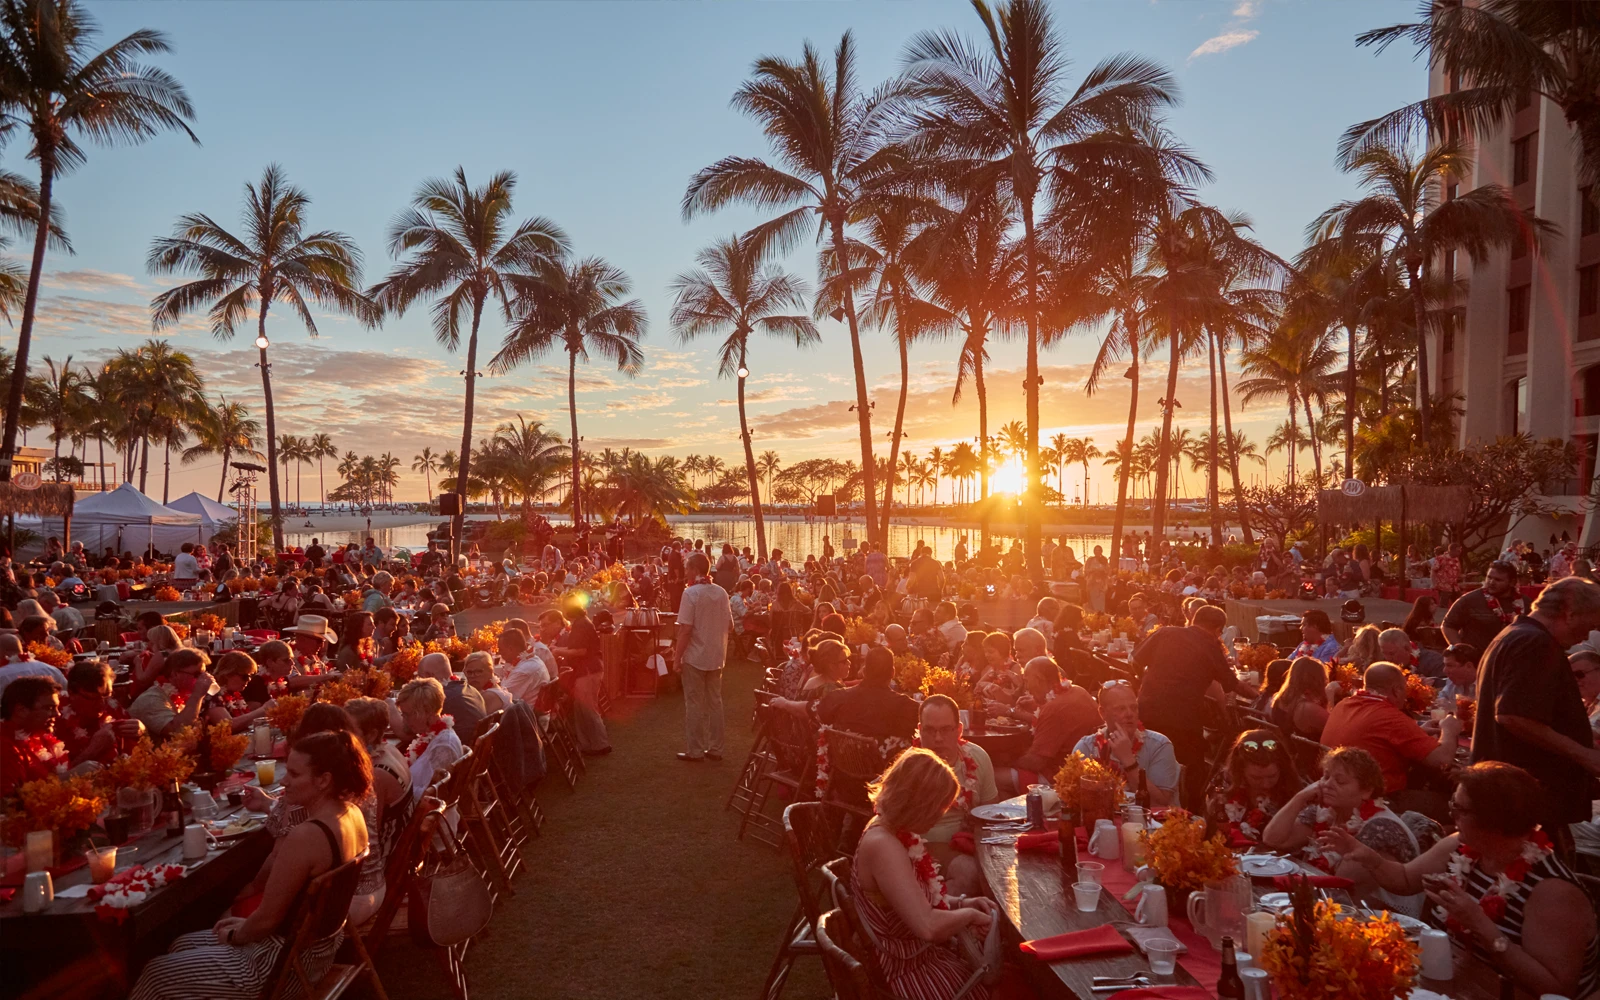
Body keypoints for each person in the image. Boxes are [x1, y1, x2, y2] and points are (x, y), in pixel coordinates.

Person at [128, 729, 371, 1000]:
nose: (285, 782)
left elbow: (266, 920)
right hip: (316, 953)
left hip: (278, 966)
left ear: (324, 780)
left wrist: (235, 935)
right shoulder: (351, 813)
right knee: (181, 944)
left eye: (294, 774)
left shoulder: (306, 836)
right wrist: (243, 926)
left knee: (155, 974)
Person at [1325, 762, 1600, 999]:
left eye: (1459, 809)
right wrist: (1368, 857)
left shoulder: (1554, 892)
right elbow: (1406, 879)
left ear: (1494, 821)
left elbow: (1554, 989)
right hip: (1453, 982)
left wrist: (1478, 922)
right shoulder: (1461, 846)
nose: (1450, 815)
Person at [851, 748, 999, 1000]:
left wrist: (962, 902)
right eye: (938, 807)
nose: (940, 815)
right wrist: (969, 915)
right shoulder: (883, 845)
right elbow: (927, 927)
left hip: (916, 956)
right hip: (903, 970)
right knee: (996, 990)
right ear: (918, 803)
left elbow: (916, 900)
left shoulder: (892, 830)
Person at [1472, 577, 1600, 849]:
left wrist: (1582, 735)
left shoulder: (1514, 635)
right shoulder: (1535, 643)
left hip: (1509, 793)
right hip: (1524, 799)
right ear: (1570, 612)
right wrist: (1583, 754)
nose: (1587, 636)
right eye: (1589, 624)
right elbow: (1513, 715)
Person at [1260, 746, 1423, 914]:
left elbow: (1339, 883)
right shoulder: (1325, 811)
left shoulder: (1381, 829)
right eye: (1326, 776)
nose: (1328, 785)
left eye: (1340, 781)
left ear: (1366, 791)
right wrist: (1300, 796)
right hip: (1335, 908)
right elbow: (1272, 839)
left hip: (1384, 924)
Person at [1133, 605, 1257, 806]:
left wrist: (1144, 681)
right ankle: (1189, 808)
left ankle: (1148, 798)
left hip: (1147, 710)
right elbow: (1232, 684)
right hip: (1183, 720)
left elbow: (1135, 659)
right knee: (1192, 767)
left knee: (1146, 757)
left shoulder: (1165, 632)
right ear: (1218, 630)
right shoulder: (1211, 646)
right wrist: (1258, 695)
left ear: (1193, 620)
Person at [1321, 662, 1461, 808]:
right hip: (1378, 801)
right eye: (1404, 690)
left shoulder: (1343, 705)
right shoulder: (1389, 717)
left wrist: (1417, 732)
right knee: (1455, 804)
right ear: (1396, 690)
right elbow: (1442, 759)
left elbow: (1377, 736)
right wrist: (1449, 729)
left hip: (1338, 794)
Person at [916, 695, 997, 895]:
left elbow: (991, 812)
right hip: (925, 845)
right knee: (968, 872)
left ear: (959, 730)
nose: (937, 738)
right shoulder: (910, 768)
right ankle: (933, 918)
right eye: (929, 730)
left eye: (945, 729)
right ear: (919, 730)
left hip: (972, 840)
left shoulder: (978, 757)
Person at [999, 657, 1100, 794]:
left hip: (1059, 779)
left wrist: (1005, 761)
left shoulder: (1053, 708)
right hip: (1090, 771)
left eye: (1027, 681)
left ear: (1039, 679)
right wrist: (1039, 705)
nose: (1027, 687)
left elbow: (1035, 762)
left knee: (992, 776)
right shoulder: (1077, 690)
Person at [1073, 682, 1180, 805]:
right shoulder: (1086, 747)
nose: (1129, 714)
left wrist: (1128, 761)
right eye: (1121, 709)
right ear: (1102, 713)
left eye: (1133, 707)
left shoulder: (1160, 745)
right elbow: (1075, 799)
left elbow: (1159, 804)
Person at [675, 552, 731, 763]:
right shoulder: (722, 593)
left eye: (687, 568)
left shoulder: (691, 594)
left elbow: (685, 630)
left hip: (696, 655)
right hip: (717, 654)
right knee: (715, 702)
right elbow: (730, 625)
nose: (685, 572)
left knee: (694, 703)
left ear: (695, 570)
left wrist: (676, 657)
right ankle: (716, 748)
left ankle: (696, 750)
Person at [1206, 729, 1303, 848]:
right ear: (1240, 771)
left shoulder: (1293, 789)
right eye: (1256, 778)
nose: (1266, 784)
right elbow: (1210, 823)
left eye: (1272, 776)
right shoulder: (1224, 782)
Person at [547, 599, 612, 756]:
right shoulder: (582, 622)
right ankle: (587, 743)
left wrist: (558, 651)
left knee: (588, 709)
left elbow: (580, 650)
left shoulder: (581, 624)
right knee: (580, 708)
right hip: (587, 670)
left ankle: (600, 744)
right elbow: (574, 648)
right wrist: (558, 649)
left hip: (588, 670)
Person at [818, 646, 918, 743]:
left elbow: (819, 719)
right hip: (888, 760)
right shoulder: (908, 707)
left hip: (845, 759)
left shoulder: (836, 698)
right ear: (893, 673)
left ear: (864, 672)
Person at [395, 677, 463, 797]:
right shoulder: (433, 736)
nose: (404, 720)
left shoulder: (444, 746)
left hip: (425, 813)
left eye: (407, 715)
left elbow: (429, 796)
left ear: (427, 712)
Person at [128, 648, 214, 741]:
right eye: (197, 674)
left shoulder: (184, 695)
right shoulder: (152, 699)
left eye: (204, 673)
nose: (202, 678)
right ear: (175, 674)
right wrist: (197, 695)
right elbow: (178, 731)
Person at [1442, 560, 1525, 653]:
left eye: (1498, 580)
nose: (1491, 582)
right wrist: (1462, 652)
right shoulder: (1470, 600)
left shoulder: (1525, 603)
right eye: (1489, 577)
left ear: (1512, 582)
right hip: (1477, 660)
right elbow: (1448, 625)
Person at [417, 651, 485, 742]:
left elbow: (406, 733)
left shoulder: (440, 698)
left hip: (455, 750)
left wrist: (391, 705)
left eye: (419, 677)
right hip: (467, 749)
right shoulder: (471, 690)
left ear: (429, 676)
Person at [1268, 656, 1331, 741]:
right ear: (1318, 679)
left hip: (1288, 750)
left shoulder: (1279, 698)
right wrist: (1331, 695)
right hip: (1313, 753)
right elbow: (1336, 730)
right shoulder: (1308, 708)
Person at [497, 625, 551, 705]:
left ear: (511, 649)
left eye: (501, 649)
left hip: (522, 714)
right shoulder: (531, 660)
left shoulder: (524, 670)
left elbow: (503, 699)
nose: (499, 653)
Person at [1378, 626, 1443, 679]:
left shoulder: (1433, 662)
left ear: (1408, 649)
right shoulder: (1382, 664)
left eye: (1391, 654)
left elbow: (1447, 688)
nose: (1388, 658)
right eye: (1384, 653)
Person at [462, 650, 512, 715]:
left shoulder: (489, 696)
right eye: (469, 672)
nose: (473, 676)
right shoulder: (491, 688)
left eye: (478, 671)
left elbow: (473, 722)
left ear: (490, 671)